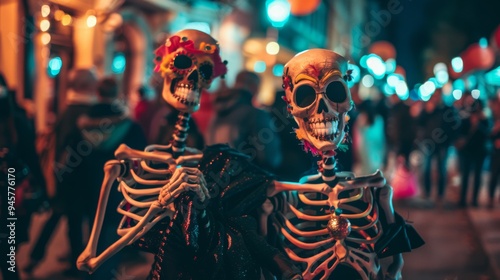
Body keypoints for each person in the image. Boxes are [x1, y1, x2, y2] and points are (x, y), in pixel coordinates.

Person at [67, 77, 147, 278]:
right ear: (116, 94)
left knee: (89, 232)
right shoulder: (130, 126)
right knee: (109, 235)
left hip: (84, 188)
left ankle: (84, 268)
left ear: (98, 93)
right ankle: (103, 271)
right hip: (116, 190)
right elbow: (141, 159)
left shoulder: (82, 124)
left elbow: (71, 158)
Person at [25, 68, 98, 275]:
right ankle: (70, 262)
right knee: (69, 220)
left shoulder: (68, 110)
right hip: (76, 180)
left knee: (62, 218)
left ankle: (39, 257)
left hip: (65, 178)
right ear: (87, 86)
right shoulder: (85, 111)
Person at [0, 74, 46, 280]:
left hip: (11, 191)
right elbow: (32, 159)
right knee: (8, 254)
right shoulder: (17, 119)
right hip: (11, 189)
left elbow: (30, 159)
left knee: (8, 254)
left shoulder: (16, 121)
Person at [206, 70, 282, 171]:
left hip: (215, 175)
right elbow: (269, 156)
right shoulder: (256, 114)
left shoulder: (218, 111)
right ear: (254, 87)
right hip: (243, 179)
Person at [417, 89, 459, 205]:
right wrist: (426, 111)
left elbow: (453, 126)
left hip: (442, 144)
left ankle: (440, 194)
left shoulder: (447, 109)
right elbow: (419, 122)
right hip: (428, 143)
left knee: (441, 169)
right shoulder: (428, 108)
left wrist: (450, 141)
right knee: (426, 169)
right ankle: (427, 192)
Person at [456, 97, 490, 207]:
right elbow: (460, 133)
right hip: (467, 151)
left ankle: (474, 199)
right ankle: (463, 199)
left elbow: (487, 135)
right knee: (465, 175)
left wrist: (478, 125)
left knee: (477, 176)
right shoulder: (465, 119)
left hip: (480, 152)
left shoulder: (485, 120)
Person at [488, 97, 500, 208]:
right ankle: (491, 198)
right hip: (496, 152)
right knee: (494, 175)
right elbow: (489, 135)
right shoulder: (493, 117)